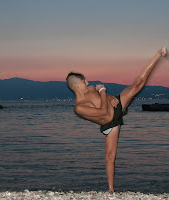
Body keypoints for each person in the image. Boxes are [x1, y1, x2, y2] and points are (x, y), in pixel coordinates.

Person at [66, 47, 167, 192]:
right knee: (110, 157)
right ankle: (111, 190)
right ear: (76, 85)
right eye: (83, 81)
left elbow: (105, 100)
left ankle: (158, 55)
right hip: (110, 124)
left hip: (116, 106)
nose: (87, 82)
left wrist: (110, 97)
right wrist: (103, 91)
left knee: (138, 84)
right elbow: (102, 111)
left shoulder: (92, 88)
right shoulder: (79, 107)